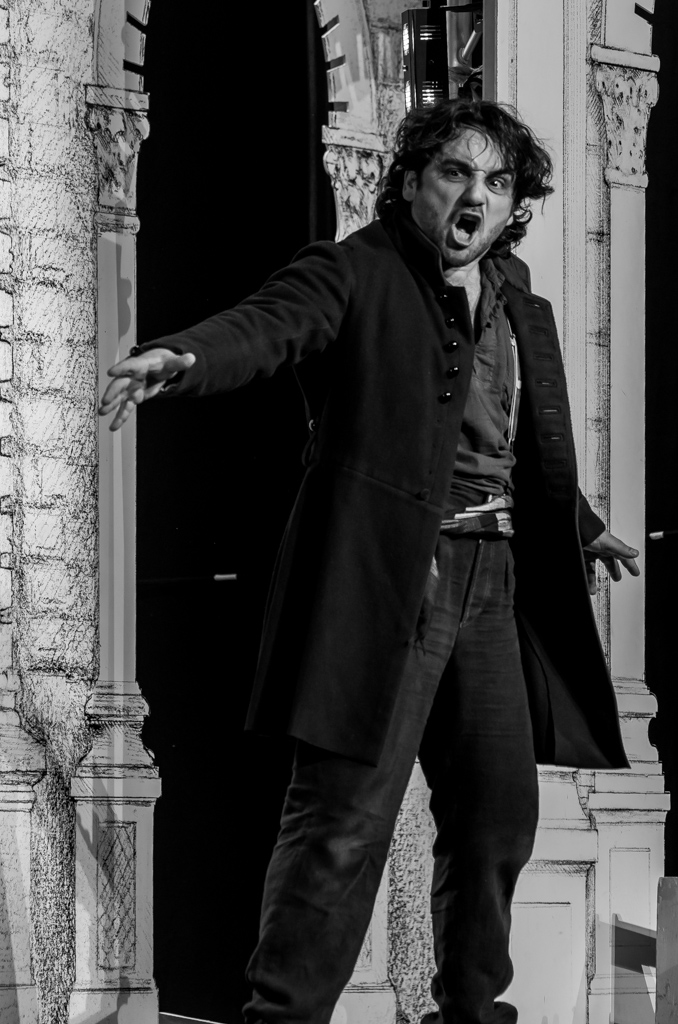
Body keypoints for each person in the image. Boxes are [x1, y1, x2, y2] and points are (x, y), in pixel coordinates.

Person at [99, 99, 640, 1024]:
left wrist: (577, 522)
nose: (475, 196)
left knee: (497, 817)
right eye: (455, 172)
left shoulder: (516, 298)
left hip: (493, 582)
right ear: (411, 181)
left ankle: (471, 1013)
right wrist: (186, 354)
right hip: (391, 583)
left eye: (497, 181)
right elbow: (268, 325)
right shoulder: (355, 270)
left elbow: (505, 438)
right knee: (344, 823)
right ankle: (283, 1016)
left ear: (516, 204)